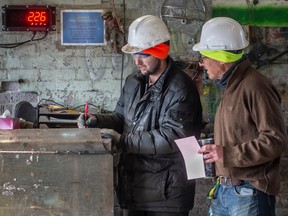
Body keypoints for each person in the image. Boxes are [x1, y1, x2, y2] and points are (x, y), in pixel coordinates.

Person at [78, 15, 203, 216]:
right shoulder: (134, 81)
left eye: (143, 54)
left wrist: (123, 140)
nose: (137, 61)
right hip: (135, 187)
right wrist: (97, 121)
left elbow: (172, 137)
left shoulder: (181, 89)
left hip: (166, 193)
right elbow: (121, 118)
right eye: (134, 53)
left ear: (161, 51)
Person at [193, 17, 288, 216]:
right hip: (225, 190)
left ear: (220, 58)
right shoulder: (230, 87)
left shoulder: (255, 86)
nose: (202, 64)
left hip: (249, 194)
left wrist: (226, 154)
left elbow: (275, 140)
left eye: (203, 57)